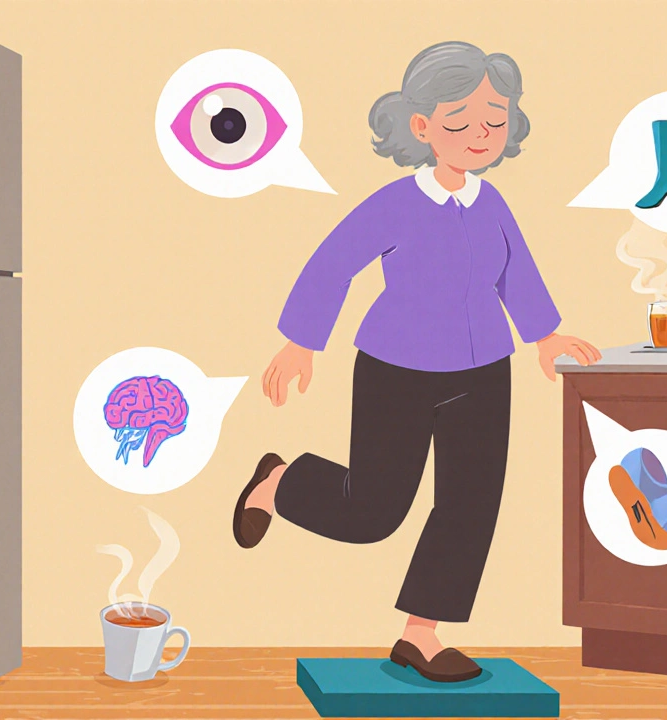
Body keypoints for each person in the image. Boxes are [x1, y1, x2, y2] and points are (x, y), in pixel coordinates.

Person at [232, 41, 601, 683]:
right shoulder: (397, 202)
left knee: (470, 503)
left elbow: (517, 274)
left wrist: (546, 338)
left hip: (484, 369)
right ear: (422, 127)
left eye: (495, 118)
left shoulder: (492, 205)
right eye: (459, 121)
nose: (480, 134)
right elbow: (333, 261)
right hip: (394, 369)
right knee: (374, 511)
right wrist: (302, 340)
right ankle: (279, 481)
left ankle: (420, 635)